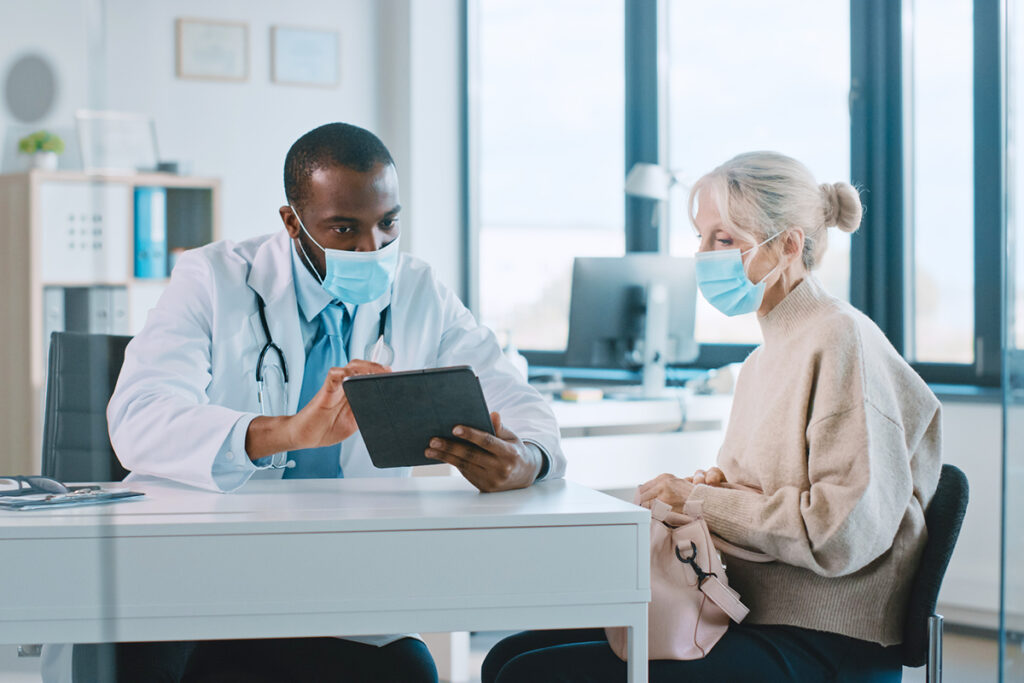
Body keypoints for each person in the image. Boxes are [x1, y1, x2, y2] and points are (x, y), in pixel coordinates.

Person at [46, 123, 566, 683]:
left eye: (387, 223)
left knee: (406, 671)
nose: (372, 249)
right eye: (344, 228)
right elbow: (139, 418)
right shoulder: (213, 279)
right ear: (293, 222)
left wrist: (528, 460)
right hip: (197, 573)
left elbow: (519, 401)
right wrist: (289, 431)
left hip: (339, 574)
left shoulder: (419, 290)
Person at [482, 151, 942, 682]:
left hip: (822, 637)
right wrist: (712, 491)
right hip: (746, 609)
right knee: (506, 657)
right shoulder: (760, 362)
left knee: (528, 675)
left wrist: (701, 500)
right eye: (701, 238)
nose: (702, 256)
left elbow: (839, 533)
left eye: (723, 239)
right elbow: (761, 493)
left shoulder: (840, 339)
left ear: (788, 245)